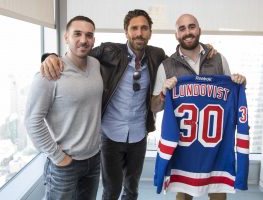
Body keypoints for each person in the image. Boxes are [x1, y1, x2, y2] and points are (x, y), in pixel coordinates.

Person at [40, 10, 216, 200]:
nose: (139, 33)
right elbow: (78, 51)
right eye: (134, 28)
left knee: (132, 190)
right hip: (110, 136)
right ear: (126, 31)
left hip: (139, 136)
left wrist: (203, 49)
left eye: (144, 28)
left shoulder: (157, 55)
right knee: (111, 191)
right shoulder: (108, 51)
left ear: (150, 32)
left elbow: (178, 59)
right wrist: (50, 56)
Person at [151, 14, 246, 200]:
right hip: (185, 148)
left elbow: (232, 97)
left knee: (218, 193)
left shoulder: (218, 59)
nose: (188, 32)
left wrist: (240, 82)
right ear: (176, 34)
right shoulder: (166, 66)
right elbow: (154, 107)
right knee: (184, 194)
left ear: (199, 30)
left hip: (215, 146)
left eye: (191, 27)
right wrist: (163, 92)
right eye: (182, 28)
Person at [24, 16, 103, 200]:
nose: (83, 40)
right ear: (66, 37)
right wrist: (58, 157)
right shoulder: (49, 73)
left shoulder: (96, 64)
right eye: (77, 34)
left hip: (93, 159)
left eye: (89, 35)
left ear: (94, 39)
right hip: (65, 164)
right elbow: (32, 120)